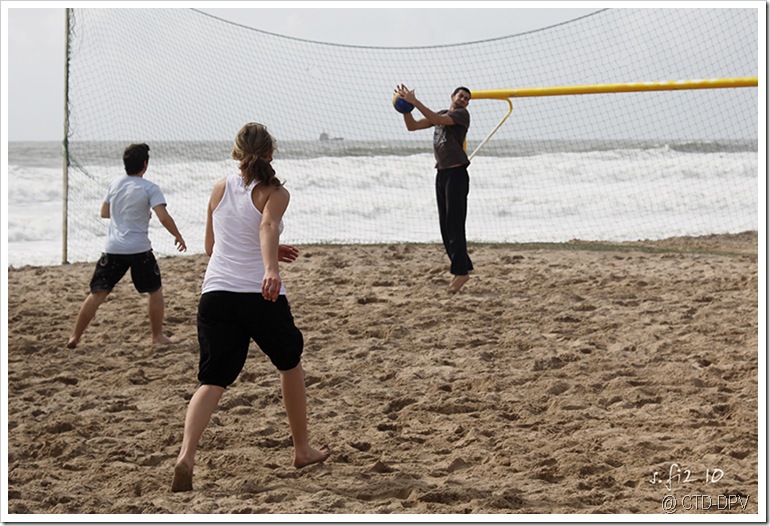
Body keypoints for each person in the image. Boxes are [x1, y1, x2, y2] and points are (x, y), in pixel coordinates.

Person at [171, 122, 330, 493]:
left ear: (236, 152)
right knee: (289, 364)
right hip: (259, 293)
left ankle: (186, 455)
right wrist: (271, 267)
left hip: (216, 294)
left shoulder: (220, 188)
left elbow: (214, 248)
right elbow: (267, 225)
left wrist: (270, 252)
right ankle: (302, 449)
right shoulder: (274, 192)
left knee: (212, 379)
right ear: (271, 152)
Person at [66, 143, 186, 349]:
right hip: (139, 249)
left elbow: (105, 212)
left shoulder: (115, 184)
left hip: (113, 249)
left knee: (97, 294)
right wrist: (178, 235)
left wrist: (130, 214)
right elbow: (164, 217)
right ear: (145, 165)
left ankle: (75, 337)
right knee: (155, 291)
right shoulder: (150, 187)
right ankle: (157, 336)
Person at [395, 84, 474, 293]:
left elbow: (439, 121)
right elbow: (412, 126)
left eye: (467, 98)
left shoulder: (462, 115)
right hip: (442, 173)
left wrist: (415, 102)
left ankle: (461, 272)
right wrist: (405, 109)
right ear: (452, 96)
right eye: (461, 95)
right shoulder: (440, 113)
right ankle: (464, 266)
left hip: (457, 174)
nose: (464, 99)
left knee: (454, 224)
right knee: (445, 226)